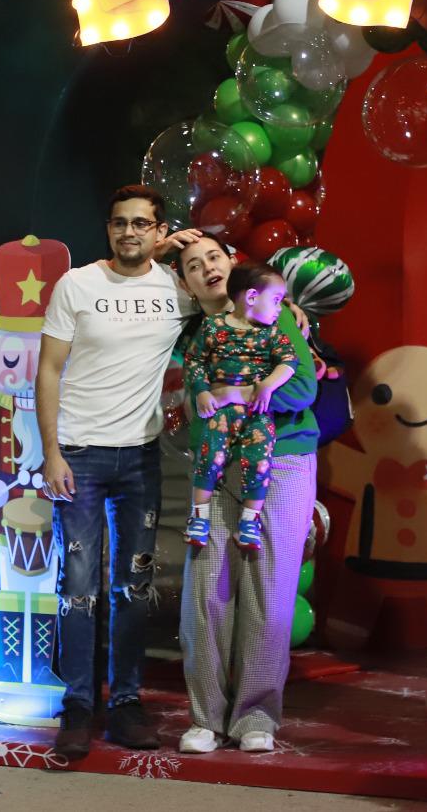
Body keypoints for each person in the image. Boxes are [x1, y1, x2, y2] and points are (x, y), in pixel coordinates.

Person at [35, 185, 196, 759]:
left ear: (159, 229)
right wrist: (51, 453)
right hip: (79, 454)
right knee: (77, 588)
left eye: (142, 224)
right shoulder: (77, 284)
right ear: (109, 229)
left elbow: (237, 295)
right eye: (120, 223)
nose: (130, 232)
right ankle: (78, 707)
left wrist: (193, 246)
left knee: (134, 586)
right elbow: (49, 371)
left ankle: (125, 703)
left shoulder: (176, 289)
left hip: (141, 458)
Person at [174, 235, 318, 755]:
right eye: (193, 265)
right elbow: (191, 395)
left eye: (213, 256)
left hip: (280, 461)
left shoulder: (275, 315)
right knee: (205, 588)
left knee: (268, 587)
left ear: (233, 267)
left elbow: (303, 389)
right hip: (215, 467)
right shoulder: (196, 335)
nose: (206, 268)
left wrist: (242, 393)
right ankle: (205, 717)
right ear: (186, 284)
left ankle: (256, 714)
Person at [184, 261, 299, 551]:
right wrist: (200, 391)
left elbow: (289, 361)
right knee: (210, 454)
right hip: (220, 411)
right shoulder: (214, 326)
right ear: (250, 297)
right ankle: (199, 517)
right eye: (275, 300)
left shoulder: (271, 333)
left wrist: (268, 385)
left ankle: (250, 522)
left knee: (260, 460)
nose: (278, 308)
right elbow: (195, 360)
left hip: (256, 413)